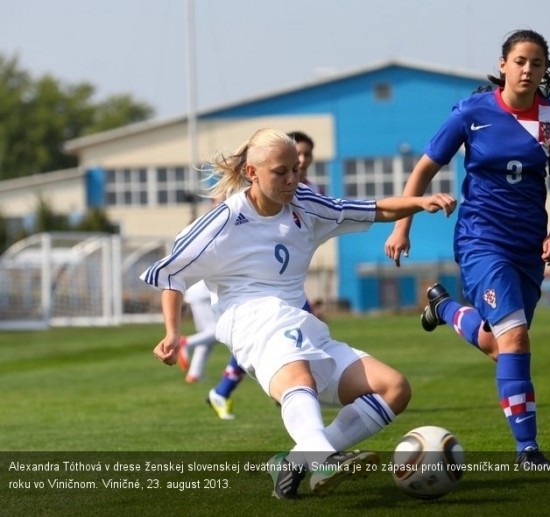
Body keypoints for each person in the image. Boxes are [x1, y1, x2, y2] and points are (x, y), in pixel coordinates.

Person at [142, 128, 456, 499]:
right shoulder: (224, 221)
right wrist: (171, 332)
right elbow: (171, 273)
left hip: (295, 320)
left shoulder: (305, 204)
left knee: (393, 389)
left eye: (295, 169)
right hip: (249, 320)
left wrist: (418, 203)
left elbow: (372, 209)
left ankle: (294, 463)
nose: (292, 179)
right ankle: (325, 458)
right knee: (298, 374)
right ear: (252, 172)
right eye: (280, 172)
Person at [384, 29, 550, 467]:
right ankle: (528, 449)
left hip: (529, 246)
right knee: (516, 337)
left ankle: (444, 308)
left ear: (545, 71)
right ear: (504, 65)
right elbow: (424, 169)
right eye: (520, 61)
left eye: (537, 64)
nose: (528, 70)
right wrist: (402, 226)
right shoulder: (472, 112)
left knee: (499, 344)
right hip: (481, 240)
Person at [205, 130, 319, 419]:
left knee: (295, 336)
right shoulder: (243, 196)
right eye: (297, 155)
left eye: (305, 155)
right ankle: (284, 389)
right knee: (272, 338)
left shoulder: (309, 191)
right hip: (254, 287)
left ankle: (276, 389)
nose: (302, 160)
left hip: (287, 281)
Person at [176, 280, 219, 384]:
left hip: (199, 292)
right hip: (203, 292)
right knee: (216, 331)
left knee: (206, 337)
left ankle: (194, 374)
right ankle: (185, 343)